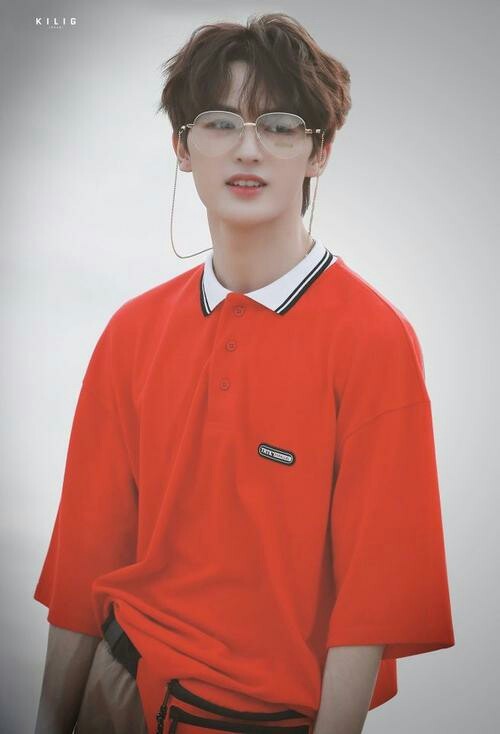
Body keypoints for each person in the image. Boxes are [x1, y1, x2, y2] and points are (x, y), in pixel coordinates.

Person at [33, 12, 455, 734]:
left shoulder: (374, 341)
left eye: (281, 125)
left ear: (320, 152)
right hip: (117, 692)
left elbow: (372, 605)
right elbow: (84, 561)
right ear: (182, 147)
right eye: (221, 123)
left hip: (264, 719)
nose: (248, 148)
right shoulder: (133, 332)